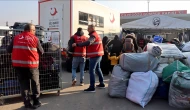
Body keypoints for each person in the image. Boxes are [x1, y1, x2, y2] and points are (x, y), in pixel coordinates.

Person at [7, 23, 44, 109]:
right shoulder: (35, 39)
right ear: (30, 30)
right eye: (34, 30)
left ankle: (27, 104)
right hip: (32, 65)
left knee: (24, 85)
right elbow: (41, 51)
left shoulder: (16, 38)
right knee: (35, 84)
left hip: (18, 66)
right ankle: (36, 102)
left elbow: (8, 50)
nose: (35, 32)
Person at [72, 24, 105, 92]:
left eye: (88, 28)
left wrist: (77, 44)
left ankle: (92, 87)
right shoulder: (96, 35)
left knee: (91, 71)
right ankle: (102, 83)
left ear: (91, 29)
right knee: (98, 69)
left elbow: (88, 42)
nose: (87, 30)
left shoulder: (93, 36)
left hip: (94, 56)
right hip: (99, 55)